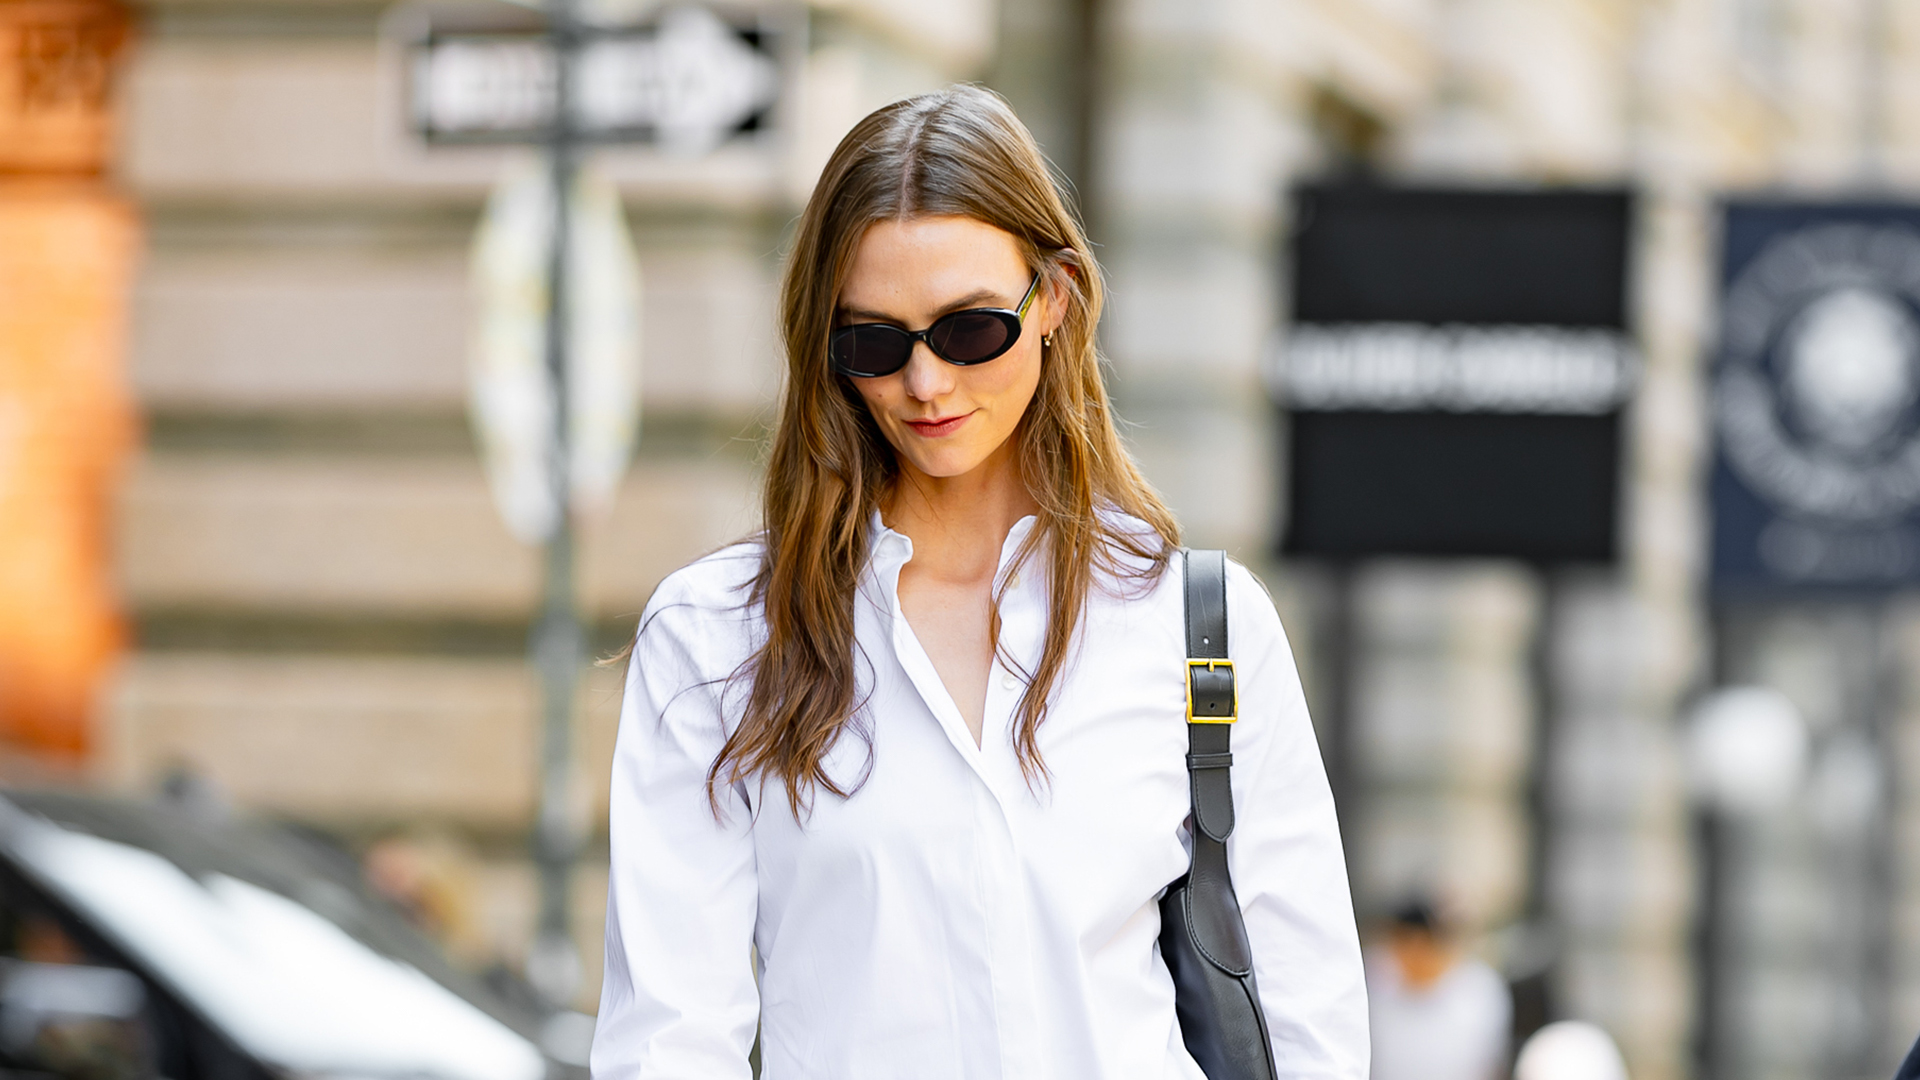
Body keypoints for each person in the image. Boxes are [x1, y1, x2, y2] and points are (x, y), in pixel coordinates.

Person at [591, 85, 1367, 1079]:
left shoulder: (1196, 629)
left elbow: (1310, 1027)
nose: (925, 385)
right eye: (872, 342)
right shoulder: (718, 636)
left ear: (1053, 300)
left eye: (966, 332)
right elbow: (669, 1039)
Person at [1364, 898, 1510, 1080]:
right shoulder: (1373, 984)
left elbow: (1492, 1061)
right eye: (1404, 942)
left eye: (1419, 943)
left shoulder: (1479, 990)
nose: (1413, 954)